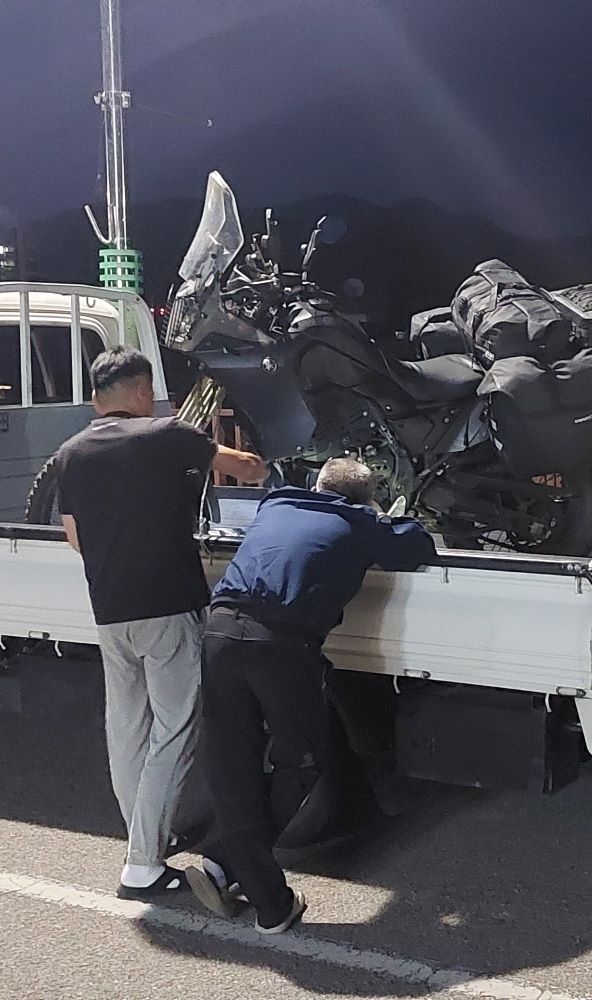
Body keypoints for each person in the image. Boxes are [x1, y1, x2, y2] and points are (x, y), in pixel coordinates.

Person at [185, 458, 436, 933]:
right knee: (299, 763)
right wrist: (387, 517)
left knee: (233, 763)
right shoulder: (359, 521)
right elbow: (416, 547)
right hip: (279, 645)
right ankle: (267, 900)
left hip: (218, 631)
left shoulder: (275, 504)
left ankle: (224, 864)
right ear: (362, 497)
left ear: (316, 485)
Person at [55, 345, 267, 900]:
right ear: (142, 392)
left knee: (127, 726)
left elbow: (75, 536)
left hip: (110, 611)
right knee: (177, 727)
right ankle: (143, 864)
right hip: (167, 606)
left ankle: (146, 834)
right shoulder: (166, 433)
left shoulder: (70, 453)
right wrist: (267, 467)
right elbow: (242, 467)